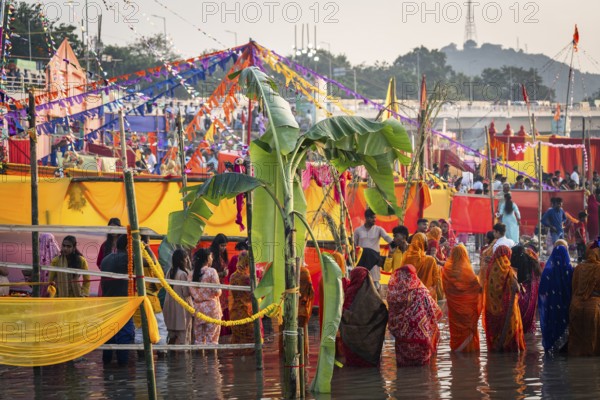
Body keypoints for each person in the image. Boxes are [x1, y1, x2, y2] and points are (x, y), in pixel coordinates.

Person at [388, 265, 442, 366]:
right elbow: (434, 311)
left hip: (402, 342)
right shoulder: (421, 292)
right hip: (421, 341)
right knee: (423, 373)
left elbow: (390, 317)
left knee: (403, 373)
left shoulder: (393, 295)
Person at [339, 267, 388, 367]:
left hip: (352, 342)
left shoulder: (350, 292)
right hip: (370, 346)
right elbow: (383, 313)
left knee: (353, 367)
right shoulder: (374, 296)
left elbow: (345, 314)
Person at [483, 245, 525, 353]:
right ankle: (510, 349)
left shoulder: (490, 268)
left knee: (497, 333)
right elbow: (516, 288)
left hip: (493, 309)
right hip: (508, 309)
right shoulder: (508, 269)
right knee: (509, 330)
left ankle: (497, 349)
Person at [442, 244, 483, 352]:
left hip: (455, 311)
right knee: (468, 330)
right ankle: (471, 353)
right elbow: (478, 289)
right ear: (465, 255)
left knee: (456, 331)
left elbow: (445, 289)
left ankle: (457, 352)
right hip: (468, 310)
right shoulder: (468, 272)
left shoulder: (447, 271)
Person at [101, 235, 134, 366]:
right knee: (124, 336)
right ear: (128, 247)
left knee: (109, 334)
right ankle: (122, 368)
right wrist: (145, 247)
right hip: (123, 304)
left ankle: (107, 367)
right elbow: (151, 263)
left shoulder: (106, 259)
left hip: (108, 303)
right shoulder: (127, 259)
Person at [538, 241, 573, 353]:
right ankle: (564, 348)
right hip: (565, 307)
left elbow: (542, 291)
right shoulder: (570, 271)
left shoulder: (547, 272)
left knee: (553, 325)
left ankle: (552, 347)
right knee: (564, 326)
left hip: (551, 308)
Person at [568, 242, 600, 356]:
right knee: (593, 346)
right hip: (594, 309)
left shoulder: (578, 267)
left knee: (576, 345)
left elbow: (574, 288)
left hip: (576, 307)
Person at [190, 248, 222, 345]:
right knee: (212, 340)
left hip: (197, 309)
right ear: (207, 259)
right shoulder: (212, 271)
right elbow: (217, 291)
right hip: (211, 309)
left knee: (199, 341)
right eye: (211, 257)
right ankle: (213, 360)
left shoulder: (191, 274)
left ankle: (199, 360)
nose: (212, 259)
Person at [354, 209, 392, 290]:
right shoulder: (358, 230)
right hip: (362, 260)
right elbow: (354, 245)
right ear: (366, 218)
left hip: (374, 260)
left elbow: (387, 237)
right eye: (372, 218)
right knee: (362, 281)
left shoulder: (379, 229)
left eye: (375, 218)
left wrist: (395, 243)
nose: (374, 220)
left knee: (375, 284)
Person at [229, 252, 258, 354]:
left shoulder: (232, 276)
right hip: (246, 313)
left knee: (238, 342)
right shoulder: (247, 278)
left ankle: (239, 367)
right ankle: (249, 368)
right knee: (250, 343)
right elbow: (254, 296)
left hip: (235, 313)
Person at [510, 245, 542, 335]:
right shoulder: (528, 258)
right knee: (527, 312)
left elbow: (519, 277)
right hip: (531, 291)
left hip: (524, 290)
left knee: (520, 310)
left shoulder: (518, 260)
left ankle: (520, 329)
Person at [164, 249, 193, 345]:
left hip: (169, 308)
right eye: (186, 259)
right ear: (182, 260)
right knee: (183, 339)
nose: (187, 261)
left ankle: (170, 359)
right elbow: (186, 293)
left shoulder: (169, 272)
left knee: (171, 337)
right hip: (181, 310)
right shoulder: (183, 274)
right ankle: (183, 360)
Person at [401, 232, 442, 301]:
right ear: (425, 244)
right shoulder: (430, 260)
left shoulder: (406, 258)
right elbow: (436, 280)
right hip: (427, 297)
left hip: (410, 297)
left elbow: (402, 277)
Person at [209, 234, 230, 336]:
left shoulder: (223, 255)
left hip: (222, 285)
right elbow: (208, 273)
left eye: (225, 245)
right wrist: (222, 274)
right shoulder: (211, 256)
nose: (224, 248)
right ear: (217, 245)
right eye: (222, 245)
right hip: (214, 287)